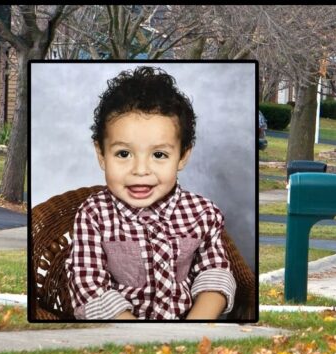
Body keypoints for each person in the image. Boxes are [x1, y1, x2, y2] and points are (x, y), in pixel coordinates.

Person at [66, 66, 235, 320]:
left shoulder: (202, 213)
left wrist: (192, 330)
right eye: (123, 154)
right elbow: (89, 287)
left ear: (182, 156)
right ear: (101, 155)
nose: (141, 170)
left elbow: (215, 275)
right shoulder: (94, 215)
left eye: (159, 155)